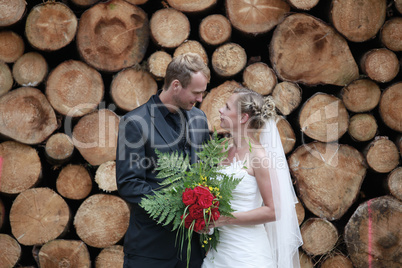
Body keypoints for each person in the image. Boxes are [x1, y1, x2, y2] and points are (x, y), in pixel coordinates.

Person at [116, 53, 211, 268]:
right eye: (196, 93)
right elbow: (129, 184)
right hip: (150, 250)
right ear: (176, 85)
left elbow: (206, 169)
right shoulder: (134, 123)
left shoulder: (199, 119)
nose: (200, 99)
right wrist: (180, 206)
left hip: (193, 251)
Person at [202, 87, 303, 268]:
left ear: (243, 118)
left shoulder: (259, 157)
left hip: (247, 254)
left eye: (227, 107)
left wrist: (225, 218)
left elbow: (274, 210)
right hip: (217, 252)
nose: (220, 110)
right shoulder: (222, 148)